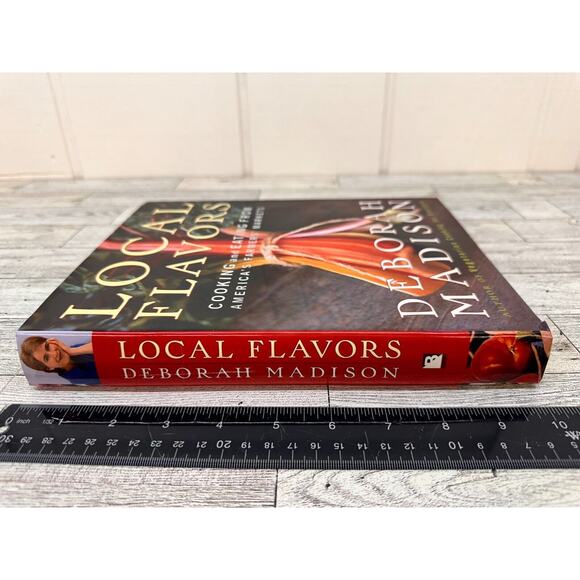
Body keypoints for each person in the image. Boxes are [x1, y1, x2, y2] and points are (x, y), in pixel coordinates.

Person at [19, 336, 99, 384]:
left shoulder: (70, 350)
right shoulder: (75, 377)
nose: (54, 353)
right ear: (49, 368)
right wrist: (74, 351)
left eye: (48, 347)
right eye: (47, 358)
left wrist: (74, 351)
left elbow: (104, 343)